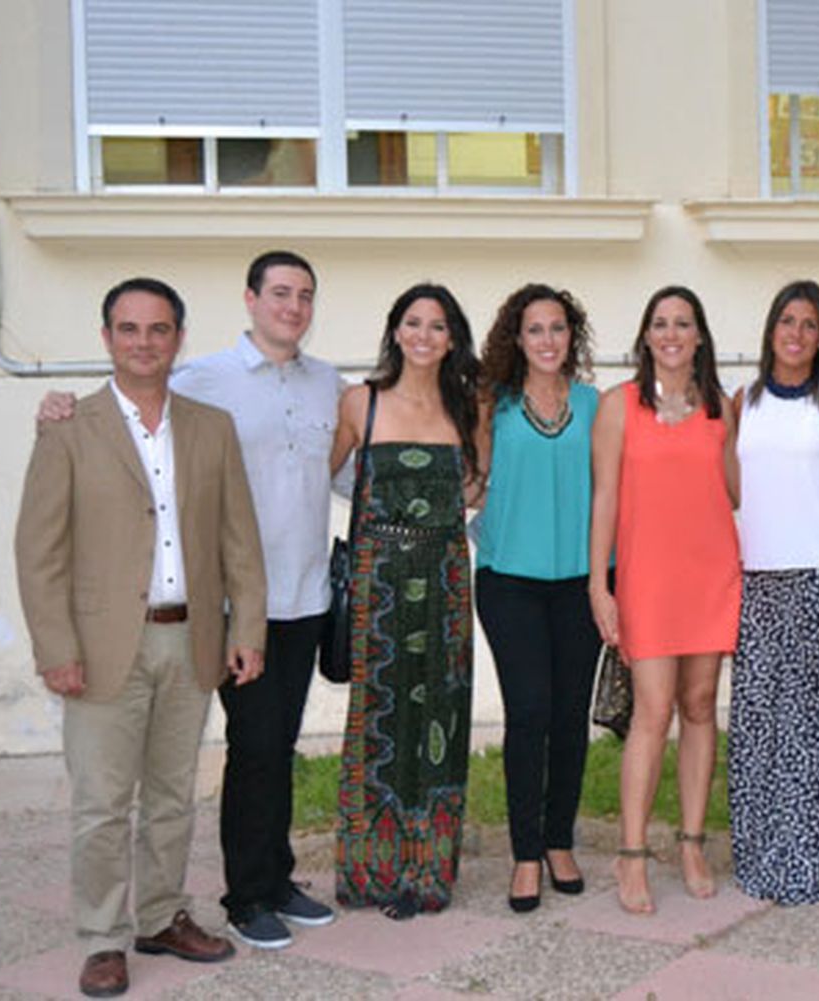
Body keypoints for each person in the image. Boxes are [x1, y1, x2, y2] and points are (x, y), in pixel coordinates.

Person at [37, 251, 341, 950]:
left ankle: (259, 880)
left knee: (264, 752)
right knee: (239, 751)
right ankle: (233, 894)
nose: (292, 306)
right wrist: (55, 408)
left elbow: (348, 468)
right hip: (218, 608)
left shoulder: (325, 383)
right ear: (250, 298)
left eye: (304, 295)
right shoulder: (201, 378)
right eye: (279, 293)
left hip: (296, 597)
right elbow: (117, 414)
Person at [15, 278, 267, 998]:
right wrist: (55, 647)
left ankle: (159, 915)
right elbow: (39, 551)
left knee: (170, 795)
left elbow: (238, 538)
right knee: (100, 801)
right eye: (129, 329)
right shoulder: (68, 426)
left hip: (190, 641)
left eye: (159, 329)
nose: (144, 342)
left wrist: (245, 626)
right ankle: (101, 936)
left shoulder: (210, 426)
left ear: (178, 338)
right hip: (99, 648)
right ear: (107, 339)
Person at [329, 283, 481, 919]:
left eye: (438, 325)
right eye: (412, 322)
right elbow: (321, 474)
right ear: (395, 330)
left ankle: (427, 869)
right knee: (376, 722)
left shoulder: (469, 409)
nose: (424, 335)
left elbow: (475, 493)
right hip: (378, 585)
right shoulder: (359, 401)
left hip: (446, 580)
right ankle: (370, 870)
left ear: (452, 339)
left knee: (439, 723)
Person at [589, 285, 740, 915]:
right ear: (646, 336)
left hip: (710, 573)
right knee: (652, 711)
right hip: (648, 579)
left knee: (701, 705)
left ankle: (691, 843)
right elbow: (604, 500)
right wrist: (600, 583)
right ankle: (631, 854)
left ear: (700, 335)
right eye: (660, 323)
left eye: (683, 323)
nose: (671, 333)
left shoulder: (720, 408)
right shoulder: (618, 406)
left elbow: (733, 492)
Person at [727, 280, 819, 906]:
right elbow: (733, 484)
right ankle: (768, 859)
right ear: (770, 330)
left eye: (809, 324)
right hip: (760, 581)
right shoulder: (743, 401)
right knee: (765, 729)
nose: (796, 333)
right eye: (786, 320)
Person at [472, 284, 603, 913]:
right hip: (509, 581)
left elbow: (614, 495)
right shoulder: (490, 404)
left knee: (570, 715)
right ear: (516, 339)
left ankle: (559, 840)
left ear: (570, 337)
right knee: (529, 713)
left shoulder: (596, 405)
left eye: (557, 329)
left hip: (582, 582)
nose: (547, 340)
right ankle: (525, 852)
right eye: (534, 330)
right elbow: (471, 484)